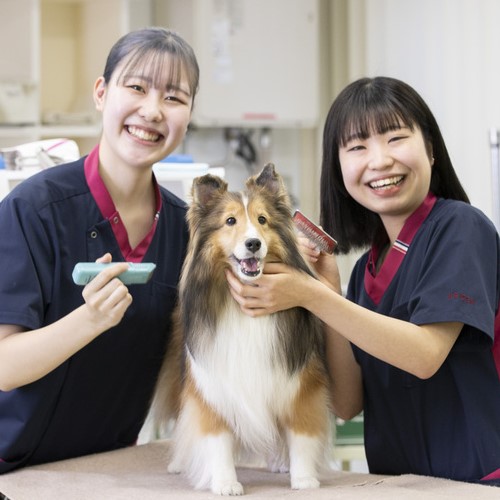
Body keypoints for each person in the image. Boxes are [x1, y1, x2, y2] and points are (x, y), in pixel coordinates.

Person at [226, 76, 500, 485]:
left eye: (395, 138)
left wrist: (314, 296)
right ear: (338, 170)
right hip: (401, 482)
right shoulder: (368, 269)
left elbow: (425, 356)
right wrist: (328, 290)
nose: (380, 160)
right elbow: (346, 402)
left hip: (477, 481)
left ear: (431, 149)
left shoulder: (462, 227)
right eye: (357, 147)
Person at [0, 27, 199, 473]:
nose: (152, 111)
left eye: (173, 97)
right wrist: (88, 321)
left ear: (188, 114)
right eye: (137, 87)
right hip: (14, 466)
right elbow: (4, 366)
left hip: (110, 465)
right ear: (101, 93)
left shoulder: (185, 230)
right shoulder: (32, 210)